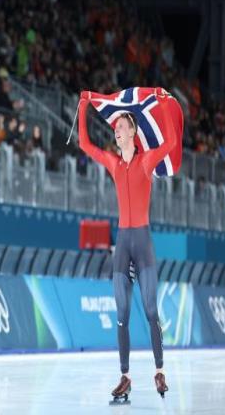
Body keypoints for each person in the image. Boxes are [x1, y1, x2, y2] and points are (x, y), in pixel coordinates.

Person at [78, 89, 176, 402]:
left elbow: (171, 143)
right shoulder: (114, 164)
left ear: (132, 132)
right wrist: (84, 106)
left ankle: (159, 370)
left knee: (150, 309)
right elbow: (84, 145)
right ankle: (125, 377)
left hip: (143, 243)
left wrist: (163, 103)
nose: (116, 130)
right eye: (115, 128)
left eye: (120, 126)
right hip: (123, 243)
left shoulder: (146, 161)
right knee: (122, 312)